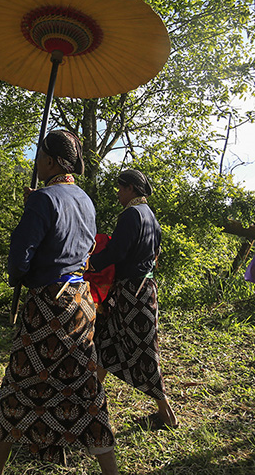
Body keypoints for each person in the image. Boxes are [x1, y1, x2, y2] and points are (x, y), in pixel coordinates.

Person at [0, 130, 118, 475]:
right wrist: (37, 205)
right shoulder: (84, 199)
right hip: (80, 303)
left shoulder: (45, 199)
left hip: (47, 304)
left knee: (21, 381)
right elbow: (80, 244)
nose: (36, 160)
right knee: (85, 383)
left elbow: (20, 257)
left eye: (39, 154)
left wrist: (20, 276)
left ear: (52, 161)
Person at [89, 169, 178, 430]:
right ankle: (87, 401)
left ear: (130, 189)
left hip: (131, 291)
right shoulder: (151, 217)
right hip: (144, 289)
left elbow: (118, 251)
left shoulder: (130, 214)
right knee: (106, 342)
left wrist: (90, 263)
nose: (118, 194)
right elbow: (155, 254)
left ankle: (166, 413)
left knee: (144, 350)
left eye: (120, 188)